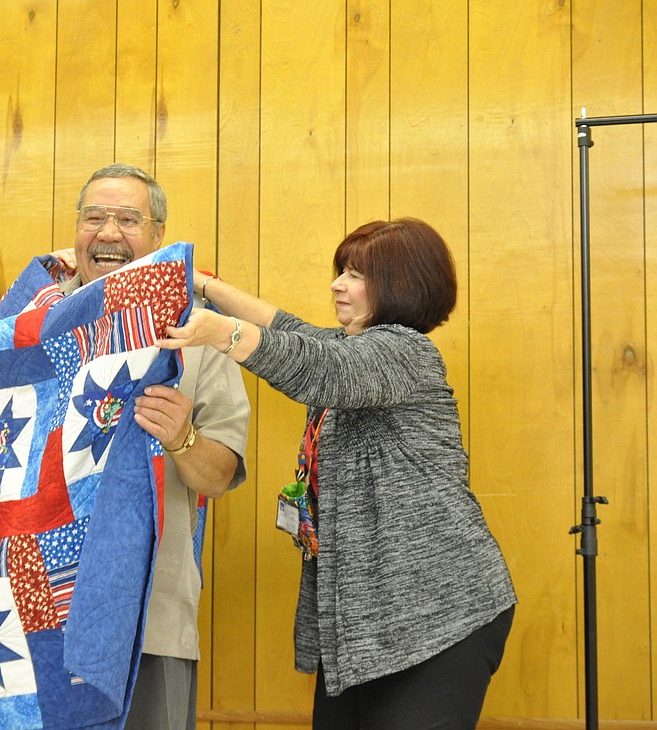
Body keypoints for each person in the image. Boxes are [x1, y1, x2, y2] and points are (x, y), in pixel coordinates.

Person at [158, 218, 517, 729]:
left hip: (443, 615)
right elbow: (290, 330)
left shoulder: (405, 353)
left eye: (354, 275)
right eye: (340, 272)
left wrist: (219, 331)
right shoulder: (355, 348)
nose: (336, 285)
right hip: (363, 629)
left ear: (401, 285)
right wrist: (198, 282)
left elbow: (315, 367)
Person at [57, 164, 250, 730]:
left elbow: (217, 476)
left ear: (159, 235)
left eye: (128, 219)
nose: (109, 233)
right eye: (94, 217)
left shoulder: (198, 333)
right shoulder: (32, 324)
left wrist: (182, 438)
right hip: (38, 615)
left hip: (150, 614)